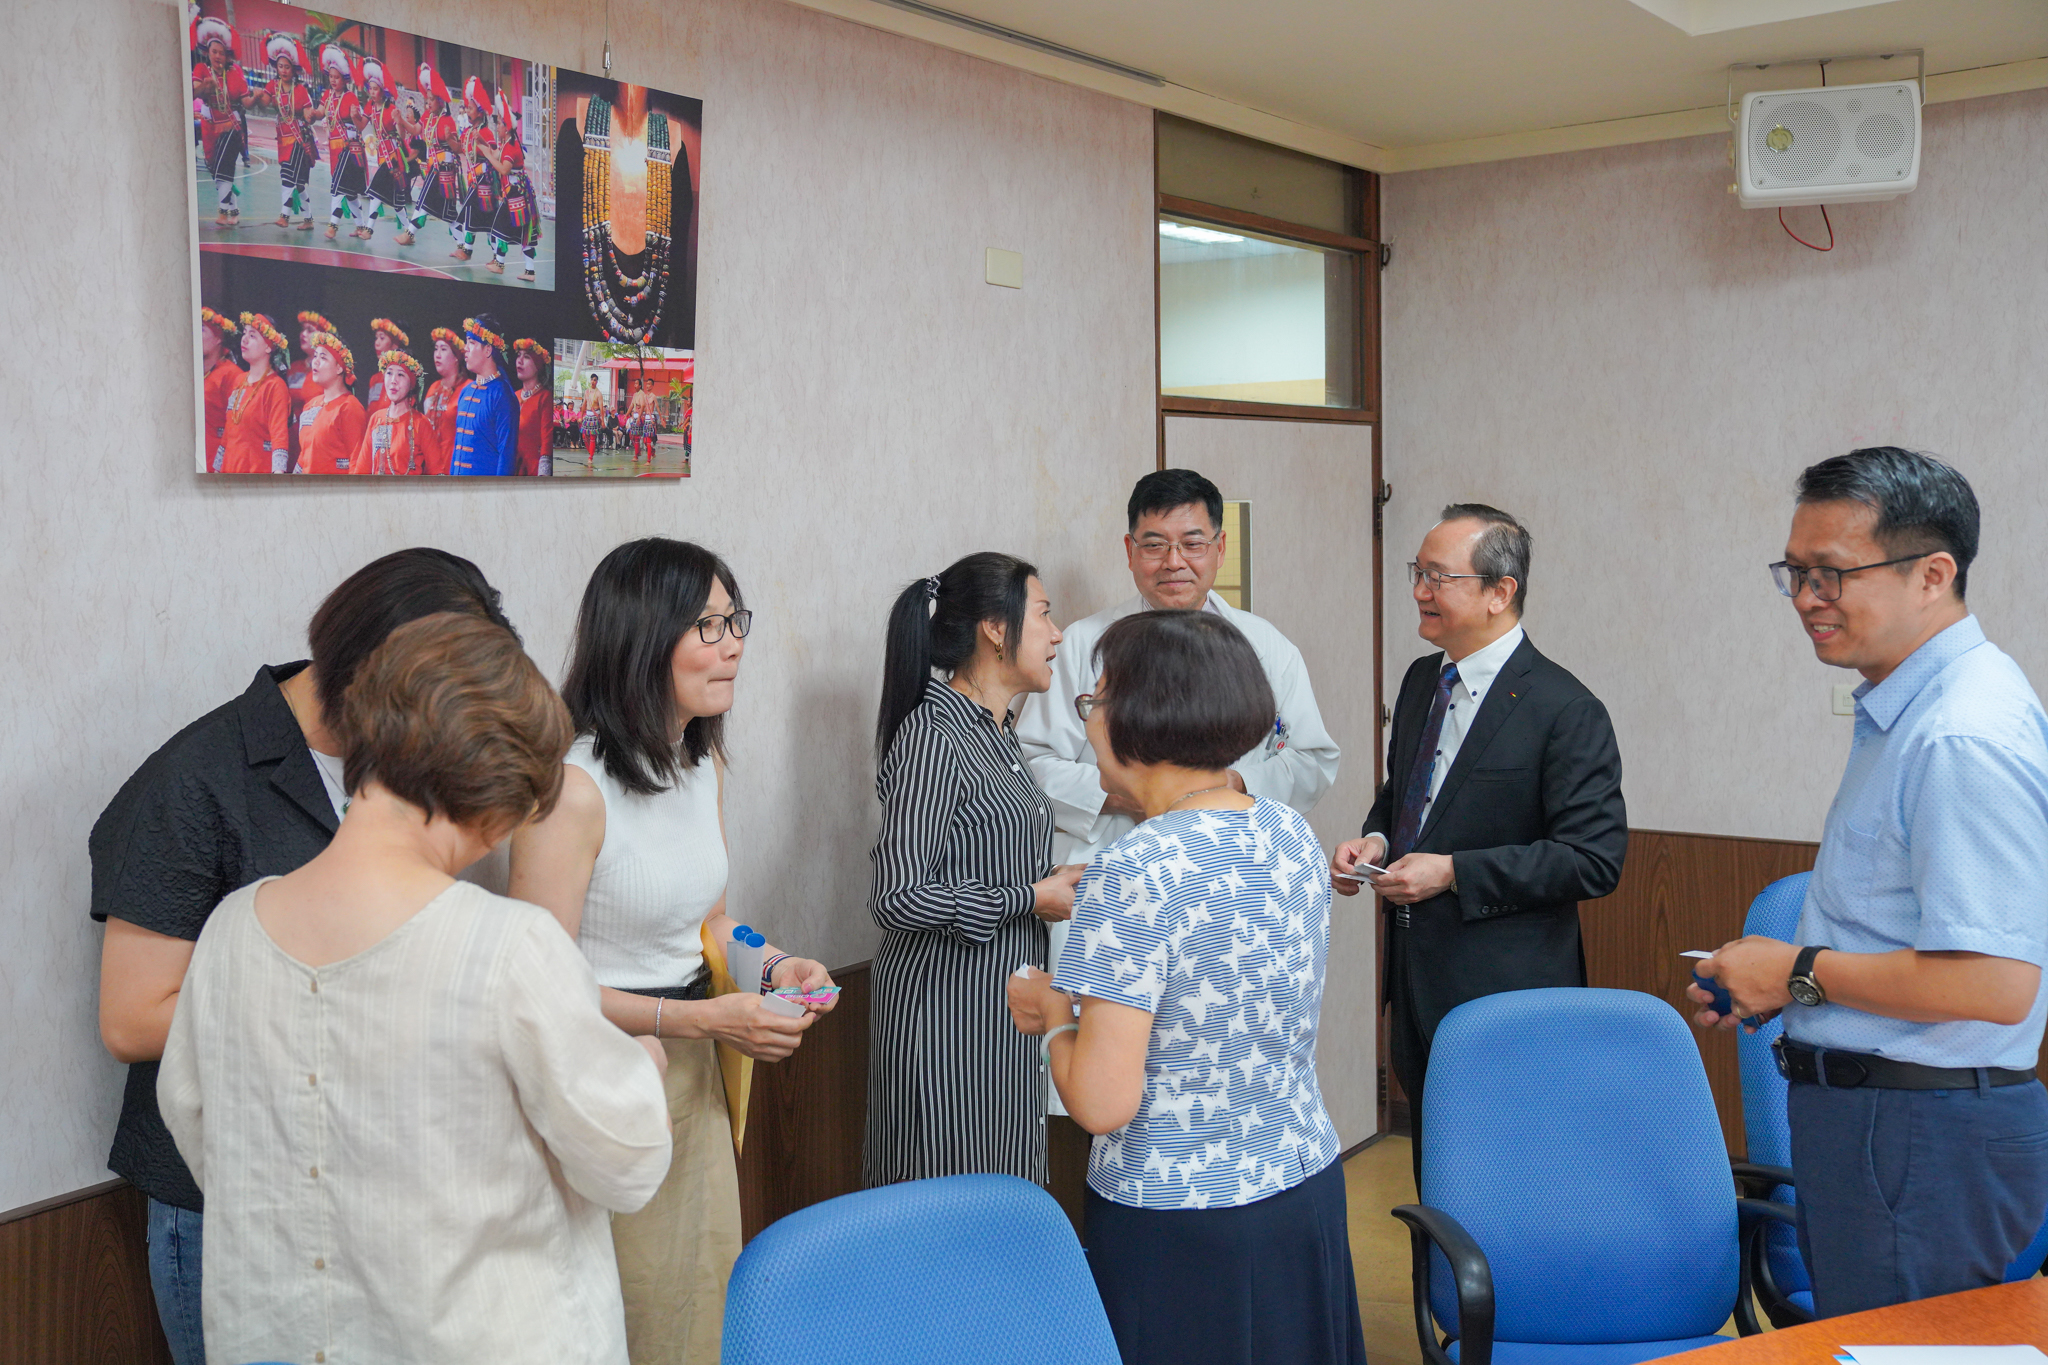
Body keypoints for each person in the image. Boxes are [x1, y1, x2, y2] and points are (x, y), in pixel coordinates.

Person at [159, 612, 673, 1365]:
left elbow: (198, 1127)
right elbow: (625, 1164)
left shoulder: (230, 930)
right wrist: (644, 1070)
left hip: (278, 1338)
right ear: (498, 803)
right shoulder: (509, 947)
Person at [92, 548, 517, 1365]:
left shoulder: (401, 766)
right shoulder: (196, 781)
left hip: (364, 1179)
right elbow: (131, 1017)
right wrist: (339, 996)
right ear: (367, 668)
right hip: (228, 1196)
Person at [1691, 447, 2048, 1318]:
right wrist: (1781, 982)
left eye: (1832, 574)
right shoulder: (1912, 707)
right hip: (1888, 1123)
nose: (1807, 599)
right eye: (1794, 573)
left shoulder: (1960, 733)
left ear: (1933, 574)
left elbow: (1994, 983)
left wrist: (1796, 971)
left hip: (1919, 1132)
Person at [509, 537, 836, 1364]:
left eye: (736, 621)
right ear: (642, 636)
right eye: (707, 625)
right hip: (601, 1077)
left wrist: (776, 965)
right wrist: (702, 1020)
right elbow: (533, 985)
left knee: (700, 1301)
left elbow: (713, 924)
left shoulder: (699, 761)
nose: (733, 645)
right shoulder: (571, 788)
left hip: (693, 1071)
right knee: (631, 1311)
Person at [1008, 611, 1364, 1365]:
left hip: (1179, 1215)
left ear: (1140, 717)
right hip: (1301, 1180)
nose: (1088, 720)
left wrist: (1055, 1015)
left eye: (1094, 701)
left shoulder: (1132, 871)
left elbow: (1103, 1103)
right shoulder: (1290, 833)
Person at [1016, 467, 1339, 1121]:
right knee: (1113, 1072)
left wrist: (1224, 786)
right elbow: (1029, 761)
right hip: (1108, 871)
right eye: (1154, 544)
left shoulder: (1264, 647)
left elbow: (1310, 757)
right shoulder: (1083, 644)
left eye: (1192, 543)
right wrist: (1122, 795)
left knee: (1200, 1050)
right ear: (1129, 550)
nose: (1174, 561)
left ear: (1219, 548)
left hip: (1226, 888)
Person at [1331, 504, 1626, 1183]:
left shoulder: (1565, 708)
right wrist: (1375, 841)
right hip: (1415, 979)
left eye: (1439, 576)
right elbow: (1405, 794)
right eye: (1418, 572)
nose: (1419, 590)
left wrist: (1453, 872)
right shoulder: (1421, 681)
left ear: (1500, 591)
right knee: (1437, 1174)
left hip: (1506, 994)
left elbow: (1593, 858)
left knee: (1512, 1181)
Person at [865, 553, 1082, 1189]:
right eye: (1043, 615)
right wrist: (1028, 897)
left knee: (1002, 1196)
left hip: (1003, 1015)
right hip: (945, 1021)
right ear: (995, 628)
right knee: (947, 1204)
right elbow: (897, 896)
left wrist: (1053, 883)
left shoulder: (997, 732)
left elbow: (988, 859)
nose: (1057, 634)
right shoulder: (934, 733)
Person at [190, 18, 249, 228]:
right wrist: (205, 86)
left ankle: (223, 213)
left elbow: (246, 101)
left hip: (231, 126)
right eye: (214, 52)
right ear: (208, 52)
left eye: (221, 53)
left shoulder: (234, 73)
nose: (217, 56)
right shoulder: (201, 70)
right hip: (209, 126)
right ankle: (234, 210)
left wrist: (257, 98)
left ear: (227, 56)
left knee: (224, 167)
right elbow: (193, 93)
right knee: (216, 170)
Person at [220, 312, 291, 475]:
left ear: (268, 347)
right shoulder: (239, 380)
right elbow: (228, 433)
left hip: (256, 475)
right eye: (244, 333)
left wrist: (278, 476)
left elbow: (279, 437)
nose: (244, 339)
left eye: (252, 336)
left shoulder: (275, 386)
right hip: (229, 474)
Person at [258, 35, 316, 232]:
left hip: (299, 139)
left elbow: (308, 113)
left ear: (294, 69)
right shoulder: (272, 87)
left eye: (287, 67)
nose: (283, 70)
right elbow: (263, 104)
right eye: (280, 66)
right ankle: (308, 219)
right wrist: (257, 97)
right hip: (283, 139)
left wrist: (311, 115)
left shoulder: (300, 90)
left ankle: (284, 216)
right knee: (298, 183)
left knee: (287, 176)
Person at [484, 93, 542, 280]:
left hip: (515, 194)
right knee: (525, 233)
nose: (497, 127)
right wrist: (483, 144)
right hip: (518, 193)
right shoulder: (508, 143)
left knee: (499, 227)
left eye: (499, 124)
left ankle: (499, 264)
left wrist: (489, 157)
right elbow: (495, 154)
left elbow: (503, 169)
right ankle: (529, 271)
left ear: (507, 127)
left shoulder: (511, 147)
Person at [292, 330, 367, 474]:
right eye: (315, 356)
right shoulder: (310, 406)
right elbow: (305, 456)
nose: (315, 361)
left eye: (323, 357)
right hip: (308, 486)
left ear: (339, 368)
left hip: (335, 487)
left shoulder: (349, 407)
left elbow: (356, 460)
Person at [351, 351, 437, 475]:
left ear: (411, 383)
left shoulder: (421, 423)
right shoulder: (376, 419)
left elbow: (436, 471)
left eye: (400, 375)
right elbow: (362, 471)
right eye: (389, 373)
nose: (393, 380)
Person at [451, 314, 516, 476]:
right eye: (466, 342)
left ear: (487, 350)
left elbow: (507, 456)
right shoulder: (466, 391)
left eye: (471, 343)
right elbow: (457, 450)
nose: (465, 348)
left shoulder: (502, 395)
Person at [315, 45, 367, 241]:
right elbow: (320, 112)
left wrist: (355, 116)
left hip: (349, 149)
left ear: (344, 79)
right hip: (334, 150)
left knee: (338, 187)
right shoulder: (327, 96)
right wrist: (312, 114)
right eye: (331, 77)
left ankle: (333, 226)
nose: (333, 80)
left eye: (337, 77)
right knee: (349, 192)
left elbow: (359, 124)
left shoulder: (351, 97)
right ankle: (360, 226)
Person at [452, 77, 499, 264]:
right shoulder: (467, 132)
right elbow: (459, 149)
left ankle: (473, 252)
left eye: (470, 108)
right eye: (467, 108)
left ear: (479, 112)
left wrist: (482, 141)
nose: (467, 111)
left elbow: (494, 153)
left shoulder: (485, 132)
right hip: (473, 181)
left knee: (477, 216)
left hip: (484, 182)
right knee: (478, 219)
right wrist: (448, 139)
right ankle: (482, 253)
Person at [198, 307, 242, 473]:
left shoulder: (232, 375)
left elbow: (239, 428)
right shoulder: (190, 372)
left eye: (202, 329)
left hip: (218, 468)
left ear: (218, 338)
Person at [421, 325, 467, 474]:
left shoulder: (468, 388)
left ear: (456, 357)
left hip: (454, 470)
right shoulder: (432, 388)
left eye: (443, 349)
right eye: (436, 349)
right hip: (430, 470)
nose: (437, 355)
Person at [512, 338, 553, 476]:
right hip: (512, 467)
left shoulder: (545, 397)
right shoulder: (514, 396)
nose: (520, 361)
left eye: (527, 357)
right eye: (519, 355)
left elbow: (547, 438)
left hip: (533, 469)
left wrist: (543, 473)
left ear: (538, 365)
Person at [363, 317, 409, 415]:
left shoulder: (403, 378)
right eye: (376, 338)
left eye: (382, 338)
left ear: (395, 344)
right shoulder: (374, 379)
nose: (377, 343)